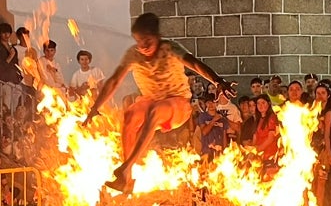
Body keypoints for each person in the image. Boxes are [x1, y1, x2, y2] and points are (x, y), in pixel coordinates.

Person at [83, 13, 232, 192]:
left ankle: (126, 167)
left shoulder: (170, 49)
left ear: (157, 37)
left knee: (156, 110)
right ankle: (126, 179)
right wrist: (94, 107)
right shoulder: (133, 54)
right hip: (151, 100)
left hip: (178, 104)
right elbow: (114, 81)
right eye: (139, 41)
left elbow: (195, 64)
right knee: (130, 115)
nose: (143, 46)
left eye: (147, 40)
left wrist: (218, 81)